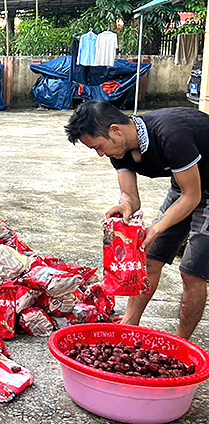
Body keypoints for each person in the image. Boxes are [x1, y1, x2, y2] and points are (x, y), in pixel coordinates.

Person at [65, 101, 209, 340]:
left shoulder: (171, 134)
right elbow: (131, 196)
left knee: (192, 272)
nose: (100, 154)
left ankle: (180, 343)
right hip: (186, 182)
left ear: (115, 130)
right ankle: (130, 323)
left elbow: (191, 196)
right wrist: (125, 207)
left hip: (196, 188)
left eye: (99, 147)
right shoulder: (119, 150)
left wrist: (156, 228)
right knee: (150, 258)